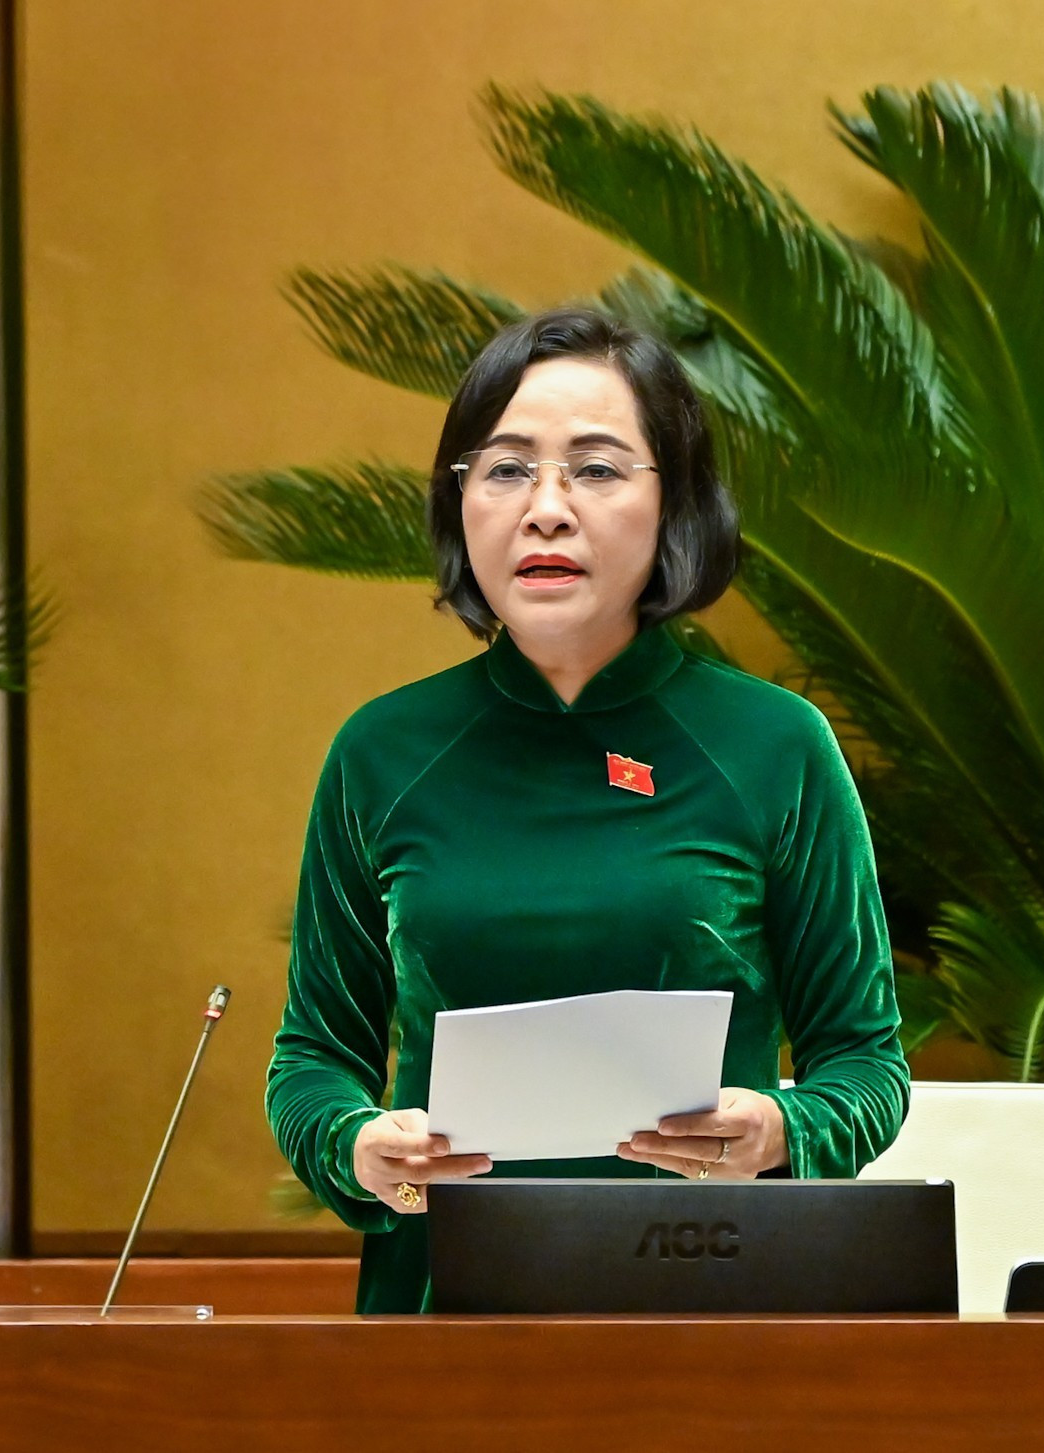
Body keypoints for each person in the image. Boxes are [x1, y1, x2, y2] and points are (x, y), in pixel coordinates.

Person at [265, 306, 910, 1314]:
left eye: (598, 469)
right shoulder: (381, 753)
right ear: (460, 500)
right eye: (507, 467)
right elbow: (313, 1058)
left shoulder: (775, 747)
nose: (547, 508)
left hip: (711, 1309)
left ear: (675, 505)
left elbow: (866, 1063)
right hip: (444, 1322)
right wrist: (356, 1142)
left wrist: (781, 1128)